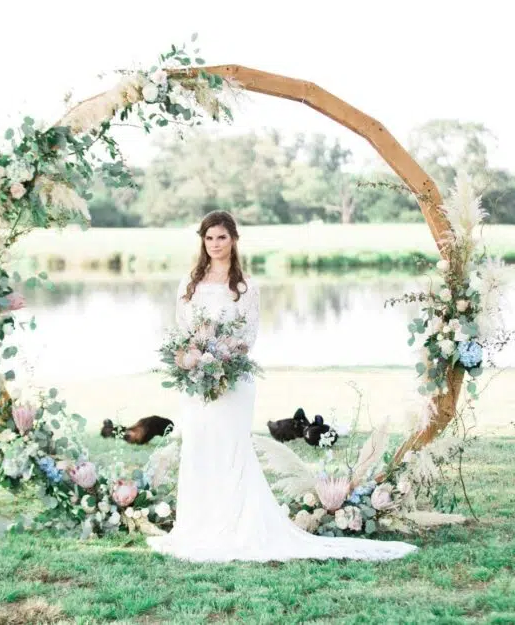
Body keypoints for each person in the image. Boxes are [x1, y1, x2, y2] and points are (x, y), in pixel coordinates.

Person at [146, 210, 419, 563]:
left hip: (233, 379)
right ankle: (200, 526)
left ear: (234, 240)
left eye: (222, 237)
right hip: (196, 383)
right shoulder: (189, 284)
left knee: (231, 449)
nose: (215, 244)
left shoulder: (245, 287)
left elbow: (248, 337)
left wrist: (222, 358)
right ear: (203, 241)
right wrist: (191, 359)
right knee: (200, 447)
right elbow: (181, 331)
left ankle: (238, 526)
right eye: (209, 238)